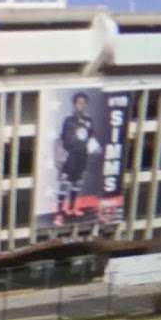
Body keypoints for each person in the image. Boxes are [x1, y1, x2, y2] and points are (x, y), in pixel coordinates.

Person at [54, 92, 99, 225]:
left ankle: (72, 208)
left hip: (82, 156)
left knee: (77, 182)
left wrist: (93, 149)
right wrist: (60, 156)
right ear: (74, 104)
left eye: (84, 103)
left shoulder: (89, 120)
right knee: (65, 183)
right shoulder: (69, 120)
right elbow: (62, 139)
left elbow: (91, 138)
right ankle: (59, 213)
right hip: (71, 156)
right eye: (79, 102)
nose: (81, 105)